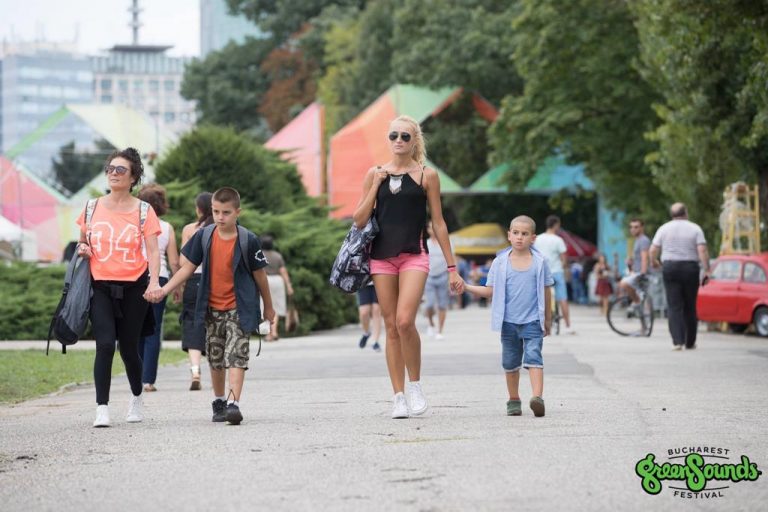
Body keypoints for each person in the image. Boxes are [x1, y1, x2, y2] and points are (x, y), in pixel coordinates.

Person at [351, 115, 462, 419]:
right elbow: (359, 219)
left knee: (404, 321)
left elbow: (438, 222)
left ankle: (415, 386)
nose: (398, 140)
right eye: (393, 136)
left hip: (414, 254)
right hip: (381, 257)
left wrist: (452, 267)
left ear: (415, 141)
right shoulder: (375, 173)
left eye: (405, 136)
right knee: (390, 326)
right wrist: (375, 185)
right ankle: (398, 396)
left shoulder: (427, 175)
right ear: (387, 139)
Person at [145, 187, 275, 425]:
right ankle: (219, 401)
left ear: (237, 212)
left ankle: (233, 404)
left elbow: (260, 276)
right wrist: (165, 289)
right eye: (216, 211)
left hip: (239, 307)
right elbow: (187, 268)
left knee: (237, 355)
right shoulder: (204, 236)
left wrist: (268, 306)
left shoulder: (248, 239)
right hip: (211, 307)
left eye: (226, 212)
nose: (220, 217)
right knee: (216, 357)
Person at [75, 148, 162, 428]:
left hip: (135, 287)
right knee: (104, 345)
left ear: (133, 177)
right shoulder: (91, 207)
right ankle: (102, 408)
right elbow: (82, 241)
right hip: (100, 285)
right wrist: (83, 249)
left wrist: (154, 281)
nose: (113, 173)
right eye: (110, 169)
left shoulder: (144, 211)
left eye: (120, 169)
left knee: (128, 348)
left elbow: (153, 251)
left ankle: (136, 396)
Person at [458, 216, 553, 417]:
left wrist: (548, 319)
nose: (519, 237)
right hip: (508, 322)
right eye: (516, 233)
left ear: (533, 238)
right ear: (509, 235)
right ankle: (514, 399)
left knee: (534, 357)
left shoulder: (540, 262)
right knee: (510, 363)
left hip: (533, 320)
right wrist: (466, 286)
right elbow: (489, 291)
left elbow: (546, 291)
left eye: (525, 234)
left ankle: (537, 398)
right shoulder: (500, 263)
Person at [649, 202, 710, 351]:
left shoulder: (664, 228)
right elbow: (702, 250)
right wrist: (707, 270)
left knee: (674, 305)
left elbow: (653, 250)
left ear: (672, 214)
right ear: (686, 213)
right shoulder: (695, 228)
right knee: (690, 305)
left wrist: (654, 262)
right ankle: (690, 342)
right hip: (690, 268)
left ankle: (677, 341)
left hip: (670, 268)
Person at [137, 184, 180, 392]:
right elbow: (174, 262)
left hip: (135, 277)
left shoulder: (133, 224)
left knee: (134, 329)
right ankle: (148, 380)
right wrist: (178, 286)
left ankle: (135, 377)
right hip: (160, 279)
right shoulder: (167, 227)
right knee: (153, 331)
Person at [178, 192, 213, 391]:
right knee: (216, 323)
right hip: (215, 281)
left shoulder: (190, 229)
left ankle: (195, 370)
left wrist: (180, 285)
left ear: (199, 209)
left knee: (192, 323)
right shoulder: (219, 229)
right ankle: (219, 369)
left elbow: (183, 261)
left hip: (194, 281)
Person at [534, 215, 575, 334]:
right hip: (556, 272)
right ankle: (568, 326)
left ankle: (541, 324)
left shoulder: (538, 239)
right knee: (562, 298)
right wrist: (564, 267)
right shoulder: (558, 240)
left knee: (540, 299)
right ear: (556, 225)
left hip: (542, 273)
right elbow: (564, 259)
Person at [260, 235, 294, 342]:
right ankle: (275, 332)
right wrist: (288, 285)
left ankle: (269, 334)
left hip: (265, 280)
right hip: (278, 281)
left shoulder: (260, 255)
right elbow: (283, 271)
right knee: (277, 307)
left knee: (265, 306)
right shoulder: (277, 256)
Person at [422, 221, 453, 340]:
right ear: (428, 230)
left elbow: (452, 259)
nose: (433, 230)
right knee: (429, 304)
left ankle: (440, 331)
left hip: (443, 276)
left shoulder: (446, 242)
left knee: (442, 305)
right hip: (429, 277)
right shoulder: (426, 243)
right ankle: (430, 324)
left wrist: (453, 275)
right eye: (430, 228)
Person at [618, 218, 651, 304]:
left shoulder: (643, 240)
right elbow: (638, 258)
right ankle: (639, 305)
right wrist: (631, 262)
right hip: (636, 271)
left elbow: (645, 258)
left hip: (641, 273)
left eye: (636, 227)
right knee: (644, 297)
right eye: (631, 227)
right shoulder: (637, 240)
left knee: (624, 283)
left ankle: (637, 303)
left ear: (642, 227)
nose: (633, 229)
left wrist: (643, 273)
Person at [357, 282, 382, 352]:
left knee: (376, 310)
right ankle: (366, 333)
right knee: (364, 312)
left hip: (379, 281)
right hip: (364, 282)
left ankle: (375, 342)